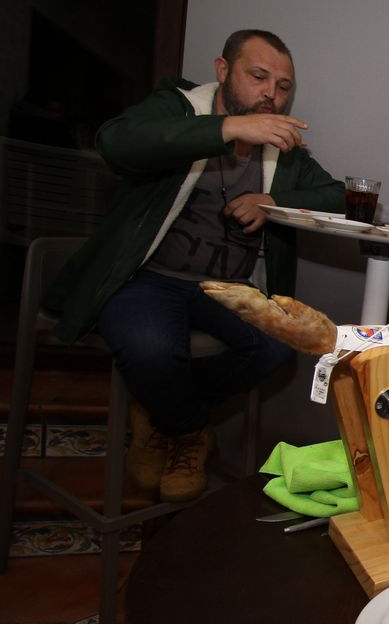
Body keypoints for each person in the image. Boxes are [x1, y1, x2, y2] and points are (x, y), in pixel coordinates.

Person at [44, 29, 344, 503]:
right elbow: (116, 143)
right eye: (259, 77)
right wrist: (227, 129)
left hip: (224, 287)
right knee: (151, 352)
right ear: (223, 71)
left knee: (278, 348)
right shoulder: (179, 109)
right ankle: (189, 432)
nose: (272, 94)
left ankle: (161, 415)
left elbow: (336, 196)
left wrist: (272, 199)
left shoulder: (279, 153)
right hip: (147, 278)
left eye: (283, 86)